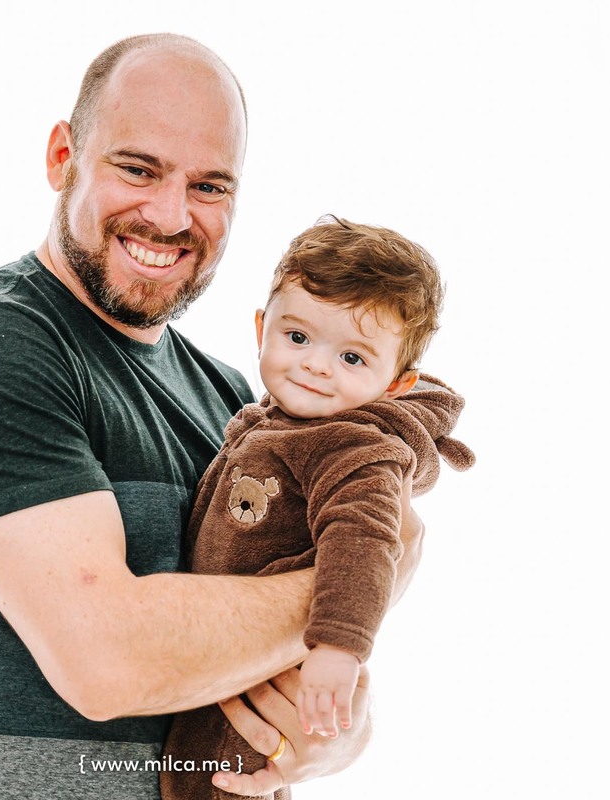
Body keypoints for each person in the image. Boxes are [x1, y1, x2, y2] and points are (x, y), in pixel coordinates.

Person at [0, 34, 425, 800]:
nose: (169, 215)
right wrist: (363, 581)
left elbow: (287, 674)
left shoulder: (240, 405)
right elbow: (107, 662)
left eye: (209, 186)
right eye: (138, 169)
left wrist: (337, 734)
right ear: (63, 157)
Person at [160, 217, 474, 800]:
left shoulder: (354, 448)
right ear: (262, 328)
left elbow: (365, 542)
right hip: (222, 661)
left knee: (216, 781)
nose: (316, 364)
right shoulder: (270, 418)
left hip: (267, 675)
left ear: (396, 384)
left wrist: (339, 647)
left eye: (352, 357)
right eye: (298, 337)